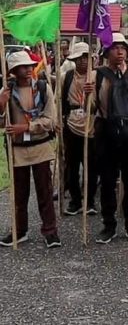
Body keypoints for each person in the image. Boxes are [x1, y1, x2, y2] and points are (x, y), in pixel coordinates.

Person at [85, 33, 128, 244]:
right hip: (106, 133)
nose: (120, 52)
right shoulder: (97, 76)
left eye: (123, 48)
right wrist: (87, 95)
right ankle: (108, 224)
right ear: (106, 52)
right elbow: (92, 109)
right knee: (107, 181)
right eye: (115, 48)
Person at [0, 51, 60, 248]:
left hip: (40, 146)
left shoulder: (43, 88)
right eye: (23, 67)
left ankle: (50, 232)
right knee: (19, 194)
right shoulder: (6, 91)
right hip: (17, 149)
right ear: (13, 71)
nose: (28, 69)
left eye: (30, 66)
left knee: (45, 191)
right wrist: (1, 105)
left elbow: (50, 120)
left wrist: (27, 127)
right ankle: (20, 231)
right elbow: (2, 122)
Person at [61, 42, 98, 216]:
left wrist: (92, 95)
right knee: (72, 165)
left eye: (86, 57)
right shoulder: (67, 76)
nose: (83, 61)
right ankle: (75, 200)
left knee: (91, 165)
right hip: (71, 124)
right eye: (80, 58)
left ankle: (89, 201)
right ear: (74, 60)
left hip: (92, 124)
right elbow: (59, 100)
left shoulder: (96, 77)